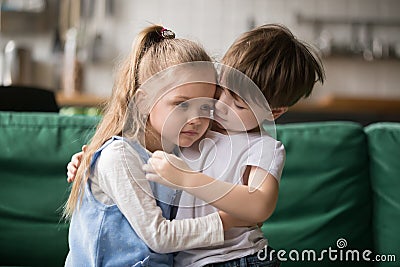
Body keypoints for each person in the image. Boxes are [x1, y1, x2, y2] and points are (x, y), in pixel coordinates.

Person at [67, 24, 325, 266]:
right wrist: (90, 160)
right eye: (219, 91)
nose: (218, 108)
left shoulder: (258, 146)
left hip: (238, 257)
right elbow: (127, 156)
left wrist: (188, 179)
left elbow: (260, 205)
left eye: (237, 104)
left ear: (274, 113)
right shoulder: (189, 137)